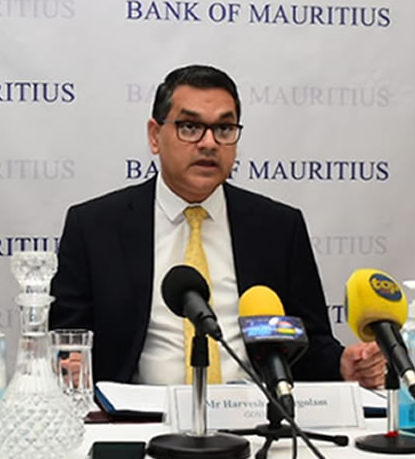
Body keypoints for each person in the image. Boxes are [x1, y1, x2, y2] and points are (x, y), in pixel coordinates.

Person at [49, 64, 384, 388]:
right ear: (155, 135)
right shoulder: (95, 227)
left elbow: (308, 344)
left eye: (224, 129)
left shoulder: (278, 227)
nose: (209, 143)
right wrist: (68, 364)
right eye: (189, 127)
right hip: (138, 415)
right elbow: (65, 340)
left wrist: (342, 363)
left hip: (252, 414)